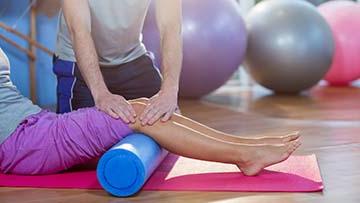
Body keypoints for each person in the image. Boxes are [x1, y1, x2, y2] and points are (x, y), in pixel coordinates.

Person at [0, 48, 301, 176]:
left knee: (144, 108)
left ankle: (249, 146)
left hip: (36, 125)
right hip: (21, 143)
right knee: (139, 114)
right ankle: (245, 156)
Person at [54, 0, 182, 126]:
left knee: (169, 119)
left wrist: (170, 91)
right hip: (76, 61)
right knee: (77, 135)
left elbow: (170, 27)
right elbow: (79, 31)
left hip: (131, 56)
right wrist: (101, 94)